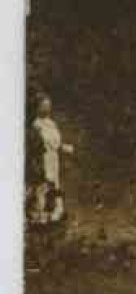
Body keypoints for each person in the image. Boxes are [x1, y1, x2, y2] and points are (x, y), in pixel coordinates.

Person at [26, 94, 72, 232]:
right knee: (43, 186)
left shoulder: (52, 123)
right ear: (38, 107)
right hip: (43, 158)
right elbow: (39, 144)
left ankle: (55, 214)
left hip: (53, 159)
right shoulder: (36, 125)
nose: (47, 107)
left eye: (48, 105)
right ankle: (39, 217)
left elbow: (56, 143)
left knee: (54, 184)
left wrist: (65, 147)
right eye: (44, 105)